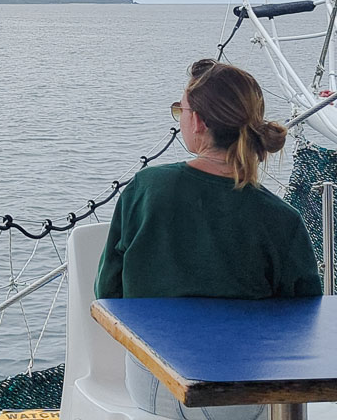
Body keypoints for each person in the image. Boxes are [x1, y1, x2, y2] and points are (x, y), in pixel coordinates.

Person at [95, 59, 321, 420]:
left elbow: (107, 292)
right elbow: (304, 319)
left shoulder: (146, 189)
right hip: (242, 387)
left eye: (179, 110)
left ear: (198, 121)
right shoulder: (281, 219)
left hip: (154, 382)